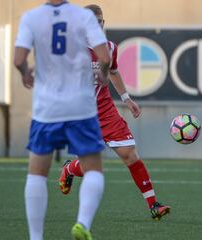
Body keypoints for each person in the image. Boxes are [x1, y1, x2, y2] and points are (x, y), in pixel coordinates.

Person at [58, 4, 170, 221]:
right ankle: (70, 169)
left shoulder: (109, 47)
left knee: (130, 154)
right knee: (91, 166)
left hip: (105, 110)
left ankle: (153, 204)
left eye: (100, 21)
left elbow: (114, 71)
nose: (97, 25)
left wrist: (127, 99)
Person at [14, 0, 111, 239]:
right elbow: (105, 57)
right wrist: (104, 73)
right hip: (81, 106)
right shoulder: (84, 16)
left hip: (46, 108)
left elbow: (18, 59)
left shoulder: (31, 17)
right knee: (93, 170)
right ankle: (83, 224)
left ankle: (36, 237)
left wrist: (25, 72)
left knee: (37, 173)